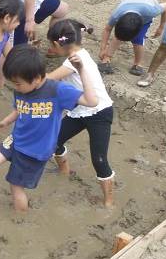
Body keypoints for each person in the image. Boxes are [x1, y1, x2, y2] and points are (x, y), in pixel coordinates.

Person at [0, 45, 97, 212]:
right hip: (17, 138)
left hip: (35, 150)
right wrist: (5, 122)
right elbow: (20, 108)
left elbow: (92, 102)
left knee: (16, 188)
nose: (15, 88)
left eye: (18, 84)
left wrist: (81, 70)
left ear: (38, 78)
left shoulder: (57, 90)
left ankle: (20, 220)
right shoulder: (22, 89)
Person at [47, 19, 115, 208]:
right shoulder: (78, 54)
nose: (50, 50)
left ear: (56, 43)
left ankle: (109, 201)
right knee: (54, 140)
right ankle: (64, 172)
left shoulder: (74, 60)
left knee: (99, 159)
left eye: (50, 46)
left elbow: (49, 79)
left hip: (100, 112)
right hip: (80, 110)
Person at [98, 0, 166, 76]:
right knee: (119, 35)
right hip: (129, 3)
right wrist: (102, 49)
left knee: (138, 39)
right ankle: (106, 58)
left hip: (147, 8)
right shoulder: (116, 15)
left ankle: (138, 64)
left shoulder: (152, 11)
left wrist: (161, 26)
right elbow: (107, 29)